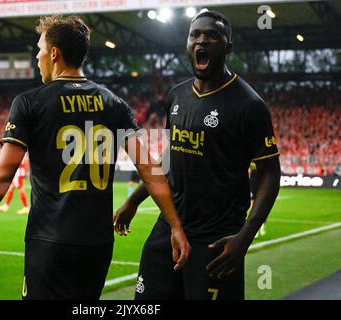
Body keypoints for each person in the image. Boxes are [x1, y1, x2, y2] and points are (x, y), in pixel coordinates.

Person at [0, 15, 190, 300]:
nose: (38, 56)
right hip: (97, 244)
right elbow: (150, 169)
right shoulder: (115, 104)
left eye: (40, 49)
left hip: (50, 242)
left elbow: (3, 174)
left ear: (54, 53)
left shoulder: (29, 102)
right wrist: (176, 227)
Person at [114, 10, 281, 300]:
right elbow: (171, 159)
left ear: (227, 47)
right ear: (188, 44)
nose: (202, 41)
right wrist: (133, 201)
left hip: (216, 239)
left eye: (212, 36)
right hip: (169, 228)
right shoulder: (177, 96)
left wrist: (245, 238)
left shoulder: (249, 105)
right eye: (195, 35)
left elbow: (270, 174)